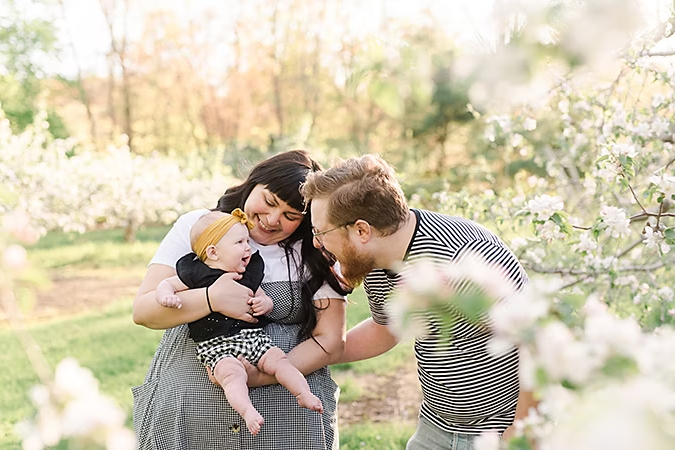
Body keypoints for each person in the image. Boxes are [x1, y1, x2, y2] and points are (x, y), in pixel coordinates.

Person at [301, 154, 533, 450]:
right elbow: (387, 329)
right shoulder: (374, 258)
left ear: (361, 231)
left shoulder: (460, 258)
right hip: (435, 427)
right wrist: (315, 353)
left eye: (321, 232)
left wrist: (524, 429)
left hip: (501, 432)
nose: (318, 243)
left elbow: (534, 339)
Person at [132, 150, 348, 450]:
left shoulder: (315, 248)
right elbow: (144, 312)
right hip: (188, 417)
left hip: (287, 420)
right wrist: (211, 298)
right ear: (252, 183)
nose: (272, 220)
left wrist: (258, 375)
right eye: (269, 202)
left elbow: (331, 340)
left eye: (290, 216)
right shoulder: (200, 227)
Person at [155, 208, 323, 436]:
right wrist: (167, 295)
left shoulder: (247, 273)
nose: (248, 247)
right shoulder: (196, 273)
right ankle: (247, 411)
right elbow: (168, 284)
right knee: (232, 375)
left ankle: (303, 393)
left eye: (247, 240)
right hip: (215, 345)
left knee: (279, 360)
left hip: (252, 337)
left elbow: (261, 294)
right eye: (240, 242)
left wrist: (266, 303)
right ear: (213, 252)